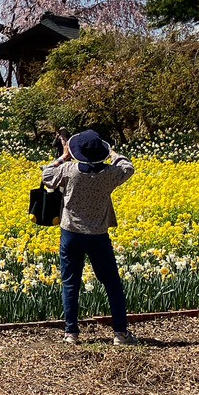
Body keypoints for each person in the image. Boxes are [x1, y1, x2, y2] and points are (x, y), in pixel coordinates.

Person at [41, 129, 138, 347]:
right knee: (112, 284)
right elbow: (128, 167)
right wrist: (113, 154)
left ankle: (71, 333)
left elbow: (46, 174)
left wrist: (63, 156)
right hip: (98, 236)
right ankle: (120, 334)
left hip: (71, 234)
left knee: (70, 283)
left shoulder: (69, 170)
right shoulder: (109, 174)